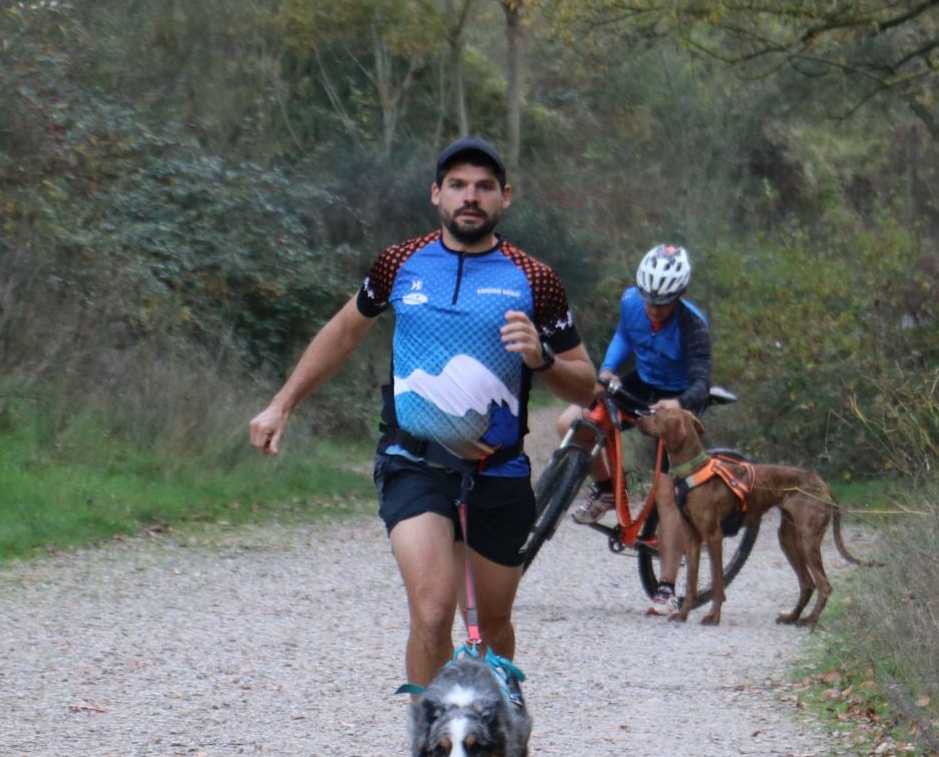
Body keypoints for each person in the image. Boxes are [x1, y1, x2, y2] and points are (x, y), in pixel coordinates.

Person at [248, 135, 598, 687]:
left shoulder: (534, 278)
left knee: (492, 623)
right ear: (436, 194)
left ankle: (493, 721)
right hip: (413, 461)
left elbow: (586, 384)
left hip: (499, 471)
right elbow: (343, 332)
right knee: (433, 612)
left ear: (505, 198)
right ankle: (430, 752)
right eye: (458, 185)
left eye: (484, 187)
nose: (470, 197)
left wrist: (542, 355)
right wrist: (281, 404)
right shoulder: (399, 263)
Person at [555, 242, 713, 614]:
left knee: (665, 493)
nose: (653, 309)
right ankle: (607, 489)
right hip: (642, 382)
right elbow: (626, 335)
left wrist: (680, 404)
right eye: (649, 300)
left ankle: (667, 587)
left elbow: (702, 381)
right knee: (571, 421)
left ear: (679, 296)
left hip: (677, 400)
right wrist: (608, 369)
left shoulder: (693, 326)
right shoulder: (630, 302)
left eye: (663, 303)